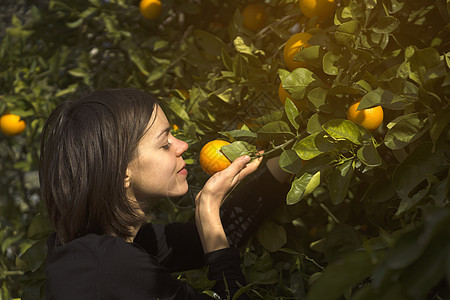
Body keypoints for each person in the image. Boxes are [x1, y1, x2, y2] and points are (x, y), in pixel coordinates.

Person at [40, 88, 290, 299]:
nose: (183, 145)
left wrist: (292, 158)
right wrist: (207, 209)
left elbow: (199, 242)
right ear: (121, 172)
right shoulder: (110, 265)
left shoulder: (101, 249)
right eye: (164, 144)